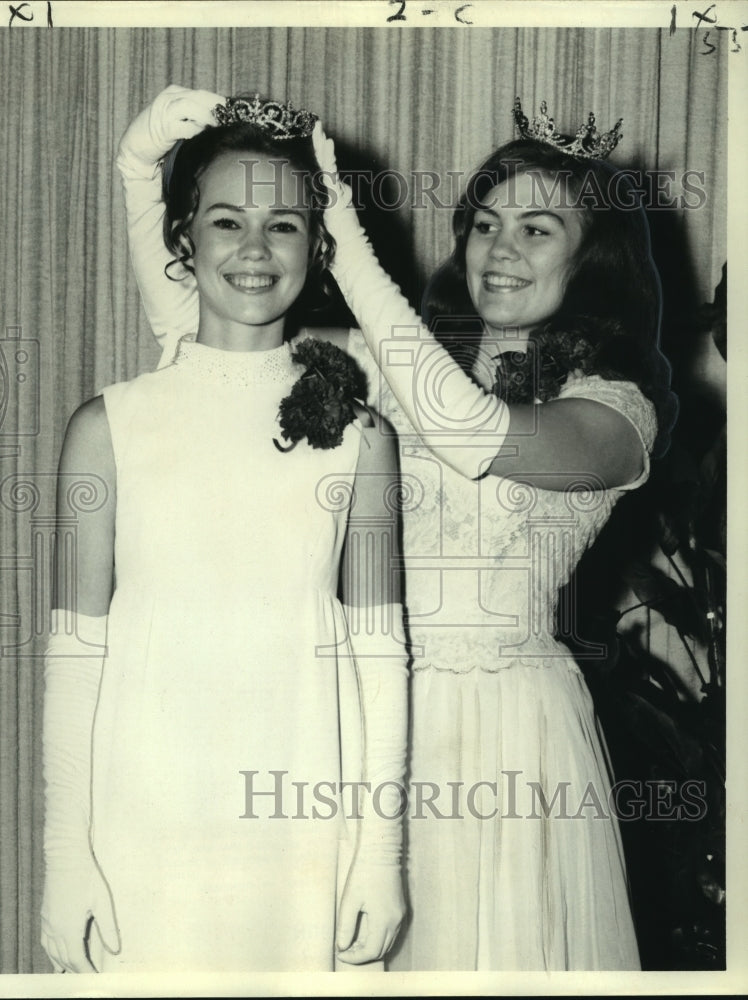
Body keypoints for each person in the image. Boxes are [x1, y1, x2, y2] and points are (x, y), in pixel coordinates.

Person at [116, 90, 676, 969]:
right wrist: (137, 164)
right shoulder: (399, 362)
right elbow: (195, 329)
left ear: (592, 259)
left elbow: (467, 429)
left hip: (505, 732)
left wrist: (348, 232)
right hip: (363, 716)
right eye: (486, 223)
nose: (499, 250)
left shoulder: (614, 413)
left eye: (537, 230)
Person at [39, 91, 408, 974]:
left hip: (305, 813)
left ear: (318, 250)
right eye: (226, 220)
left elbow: (380, 654)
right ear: (182, 240)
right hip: (147, 810)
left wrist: (379, 856)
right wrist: (64, 856)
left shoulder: (362, 438)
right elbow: (74, 652)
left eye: (282, 225)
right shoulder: (107, 427)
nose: (252, 249)